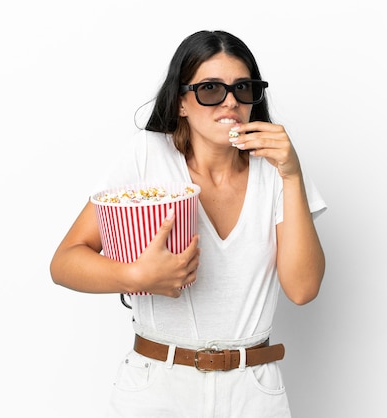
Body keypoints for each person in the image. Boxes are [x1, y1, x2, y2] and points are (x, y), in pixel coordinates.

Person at [50, 29, 327, 417]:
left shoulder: (276, 169)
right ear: (180, 101)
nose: (230, 102)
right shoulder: (148, 156)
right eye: (210, 89)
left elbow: (302, 288)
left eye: (243, 88)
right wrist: (136, 276)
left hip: (253, 389)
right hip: (157, 387)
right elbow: (64, 262)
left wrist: (293, 175)